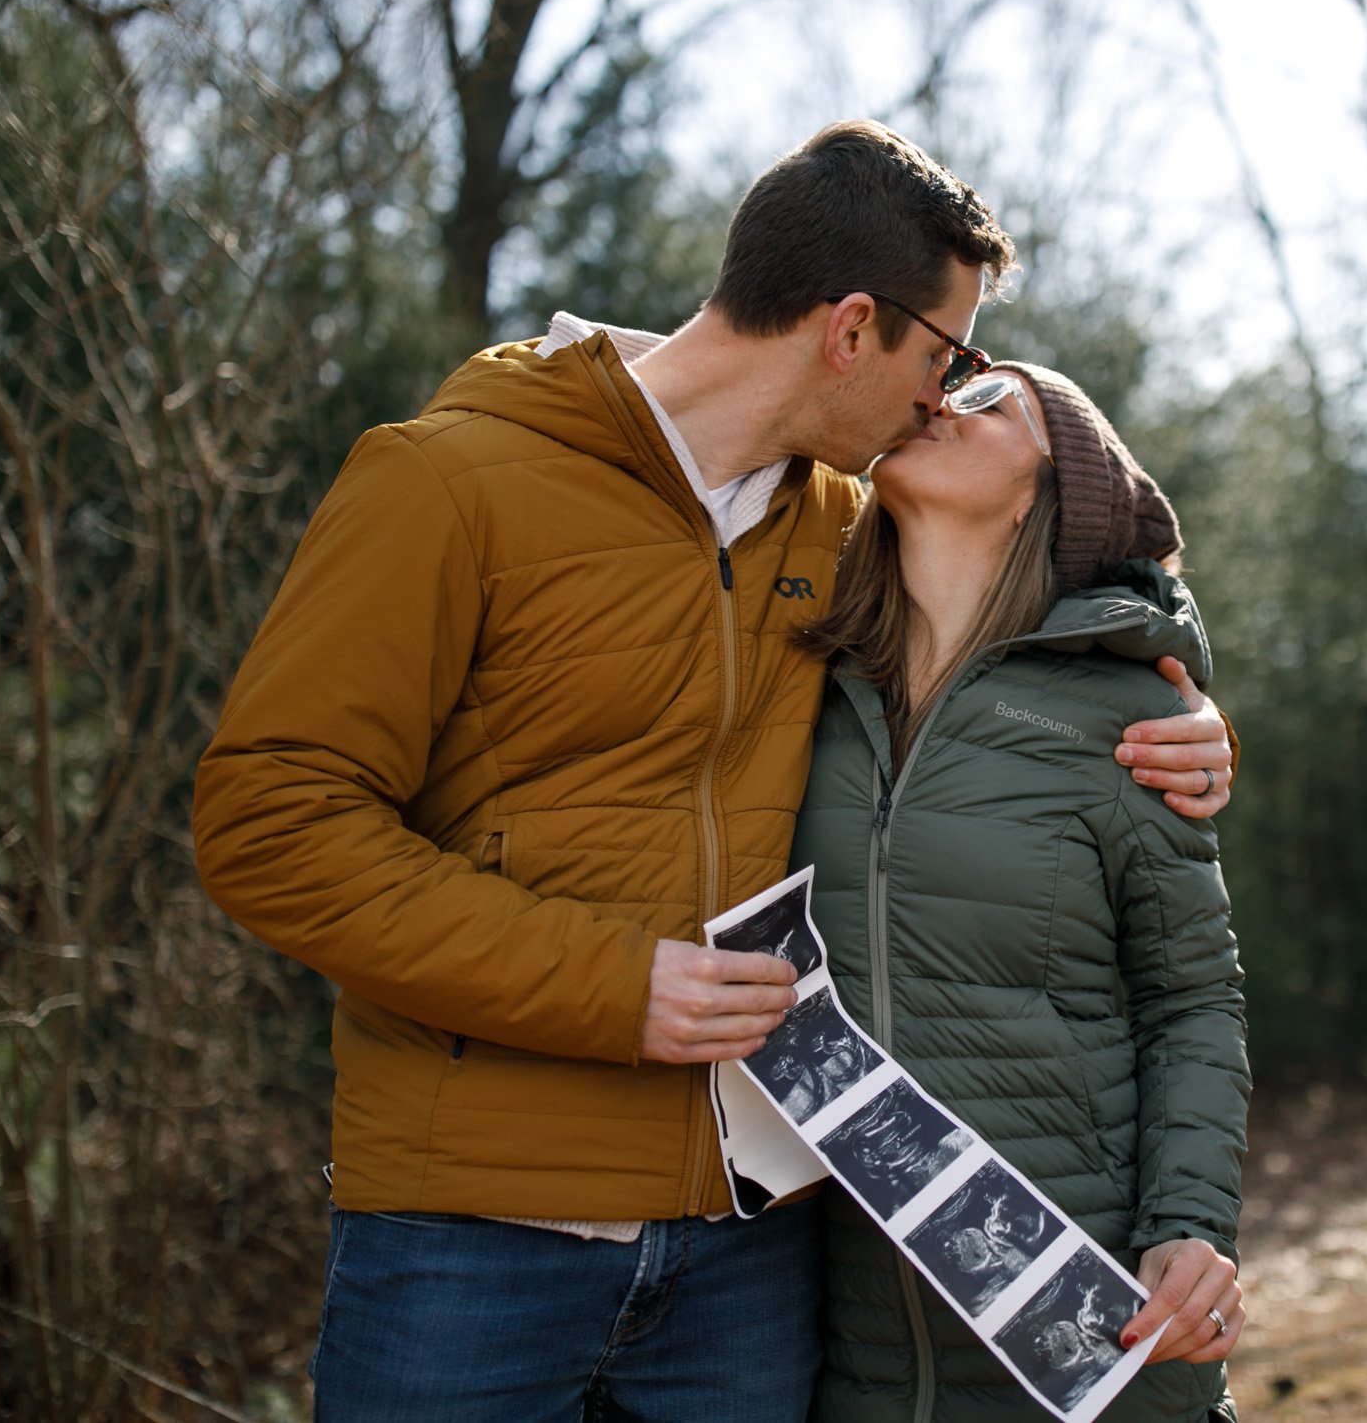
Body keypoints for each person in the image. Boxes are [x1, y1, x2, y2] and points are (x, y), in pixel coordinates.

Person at [191, 120, 1238, 1422]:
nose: (944, 397)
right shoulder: (449, 482)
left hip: (755, 1257)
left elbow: (1068, 575)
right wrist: (614, 986)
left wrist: (1182, 697)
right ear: (852, 329)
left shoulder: (849, 521)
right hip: (474, 1237)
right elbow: (269, 822)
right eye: (945, 355)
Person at [790, 362, 1250, 1422]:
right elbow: (711, 376)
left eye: (994, 401)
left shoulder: (1131, 713)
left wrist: (1189, 1223)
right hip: (839, 1341)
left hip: (1088, 1326)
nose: (942, 402)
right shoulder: (803, 680)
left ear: (1058, 485)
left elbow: (1193, 1001)